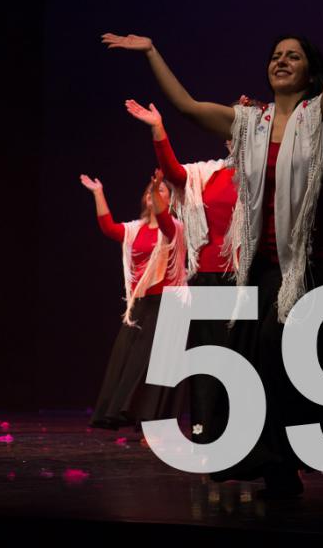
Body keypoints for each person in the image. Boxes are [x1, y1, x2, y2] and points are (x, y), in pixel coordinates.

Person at [103, 0, 323, 496]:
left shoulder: (322, 118)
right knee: (256, 356)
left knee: (277, 345)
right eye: (275, 56)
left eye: (293, 56)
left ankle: (299, 451)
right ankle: (277, 465)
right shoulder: (250, 123)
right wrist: (151, 51)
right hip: (263, 262)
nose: (281, 61)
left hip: (311, 262)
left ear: (310, 72)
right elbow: (186, 106)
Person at [124, 99, 238, 444]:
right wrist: (158, 129)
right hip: (209, 276)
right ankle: (206, 432)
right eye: (234, 133)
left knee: (246, 359)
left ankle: (247, 433)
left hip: (250, 275)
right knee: (207, 359)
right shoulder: (209, 173)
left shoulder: (270, 175)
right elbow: (174, 174)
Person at [80, 170, 187, 431]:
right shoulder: (135, 229)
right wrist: (98, 193)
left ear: (170, 201)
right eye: (151, 191)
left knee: (152, 366)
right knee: (127, 360)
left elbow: (163, 219)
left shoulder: (173, 227)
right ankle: (120, 413)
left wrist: (158, 184)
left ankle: (151, 423)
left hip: (167, 303)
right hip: (141, 303)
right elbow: (109, 228)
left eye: (161, 191)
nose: (154, 193)